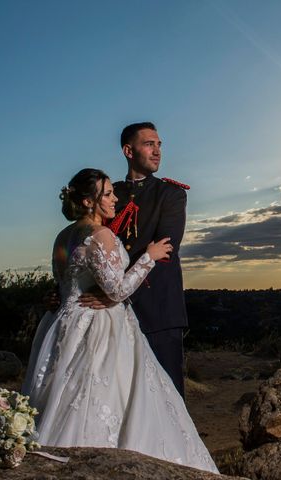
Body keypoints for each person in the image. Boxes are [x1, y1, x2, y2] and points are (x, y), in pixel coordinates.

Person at [22, 169, 217, 473]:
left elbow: (66, 284)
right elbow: (117, 290)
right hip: (98, 327)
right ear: (89, 201)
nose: (116, 199)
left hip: (62, 323)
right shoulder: (101, 235)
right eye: (109, 194)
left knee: (61, 396)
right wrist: (149, 256)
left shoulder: (63, 236)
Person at [79, 122, 189, 397]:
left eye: (159, 144)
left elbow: (164, 251)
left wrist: (116, 292)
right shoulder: (109, 194)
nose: (157, 151)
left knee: (167, 395)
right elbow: (90, 246)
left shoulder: (171, 194)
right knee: (121, 396)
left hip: (158, 308)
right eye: (149, 144)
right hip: (111, 314)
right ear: (129, 151)